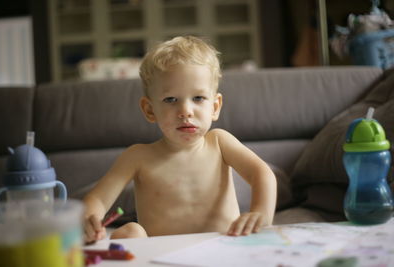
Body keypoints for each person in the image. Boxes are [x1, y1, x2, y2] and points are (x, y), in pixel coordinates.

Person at [83, 36, 277, 243]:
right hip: (161, 256)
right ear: (150, 110)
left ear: (215, 106)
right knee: (131, 232)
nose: (185, 111)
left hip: (223, 248)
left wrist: (261, 213)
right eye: (171, 100)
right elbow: (97, 199)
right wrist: (89, 219)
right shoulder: (138, 156)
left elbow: (261, 173)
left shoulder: (220, 143)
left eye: (198, 98)